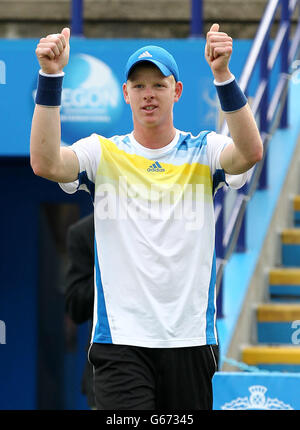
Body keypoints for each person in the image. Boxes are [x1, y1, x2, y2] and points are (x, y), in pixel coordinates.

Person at [30, 24, 263, 410]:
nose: (148, 94)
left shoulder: (203, 149)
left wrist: (222, 75)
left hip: (190, 340)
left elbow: (250, 152)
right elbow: (45, 161)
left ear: (177, 91)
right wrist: (51, 75)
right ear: (125, 94)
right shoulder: (101, 153)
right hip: (120, 342)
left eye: (158, 84)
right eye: (138, 86)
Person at [64, 213, 95, 409]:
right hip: (107, 372)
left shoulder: (174, 223)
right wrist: (109, 270)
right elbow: (75, 307)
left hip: (174, 366)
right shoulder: (84, 232)